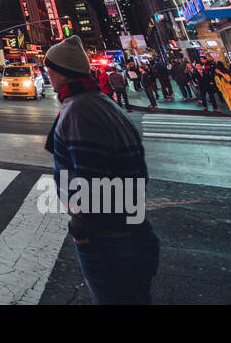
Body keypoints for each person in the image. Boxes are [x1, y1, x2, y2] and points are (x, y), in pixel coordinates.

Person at [42, 35, 158, 304]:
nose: (46, 74)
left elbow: (92, 183)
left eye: (49, 68)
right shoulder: (103, 103)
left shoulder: (78, 111)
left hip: (109, 240)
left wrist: (81, 229)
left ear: (62, 72)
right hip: (130, 230)